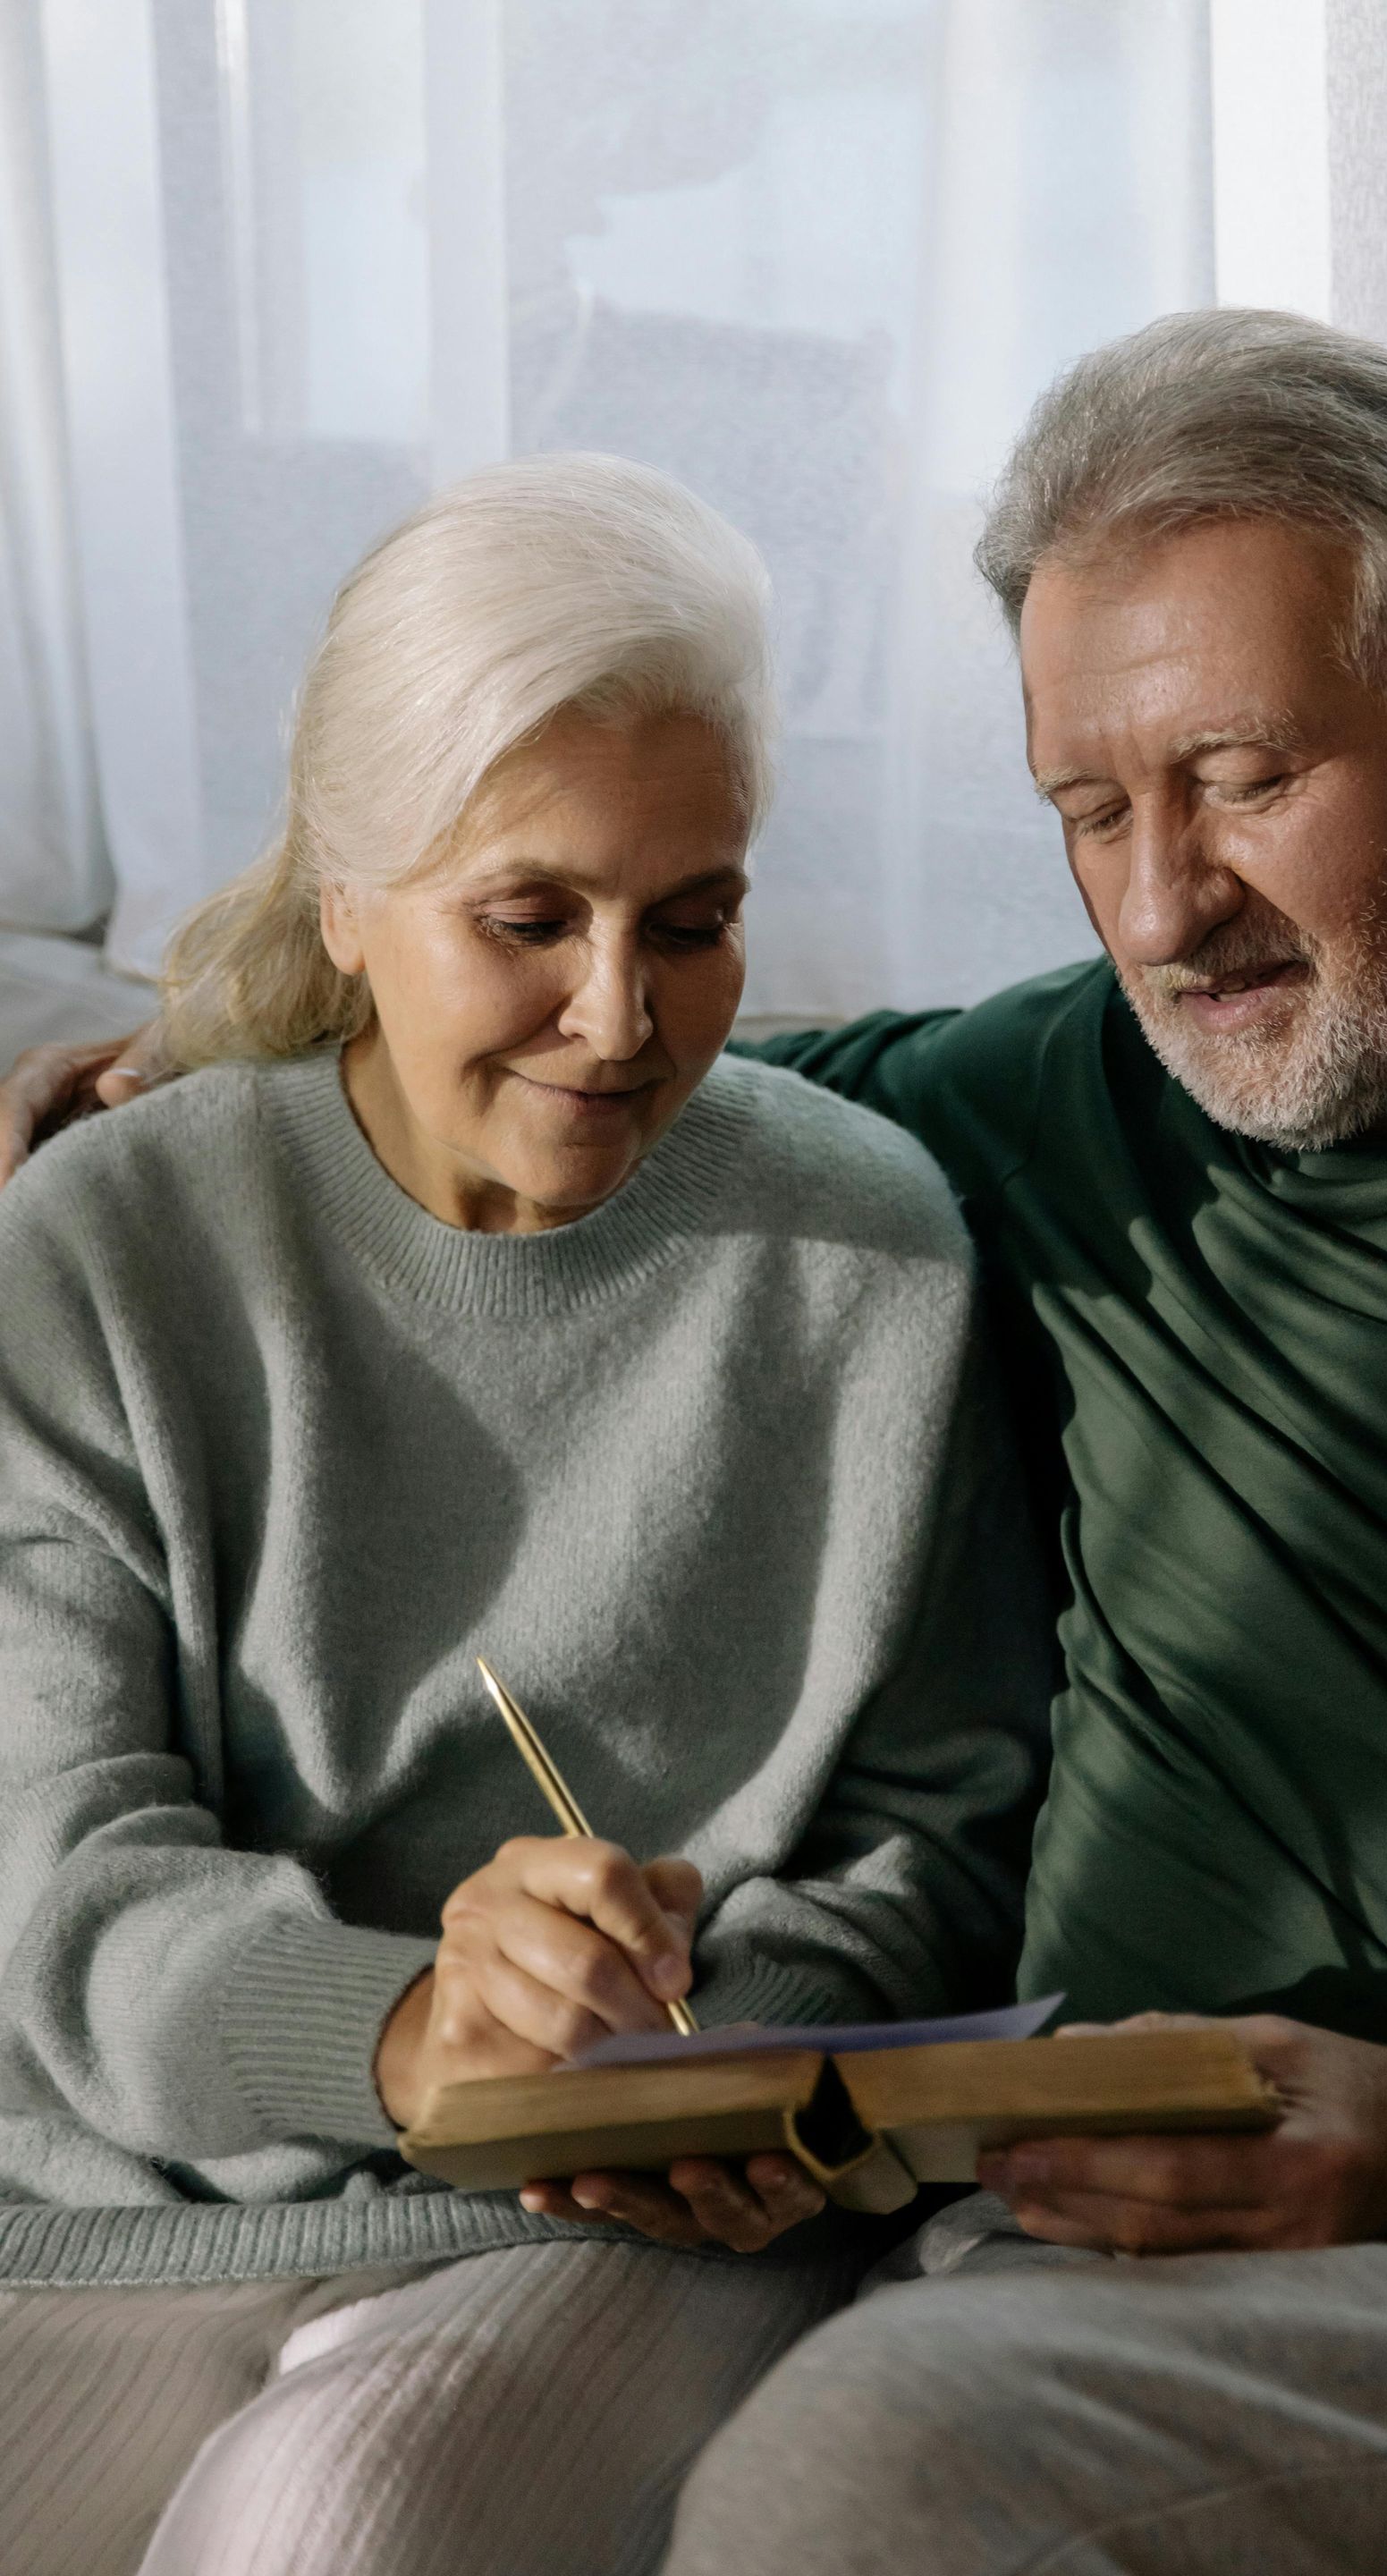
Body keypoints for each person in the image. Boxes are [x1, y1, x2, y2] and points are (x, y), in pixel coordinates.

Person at [13, 313, 1387, 2571]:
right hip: (1060, 2217)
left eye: (1242, 775)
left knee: (856, 2479)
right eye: (1088, 812)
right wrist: (132, 1081)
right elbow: (557, 1096)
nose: (1161, 907)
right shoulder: (1034, 1106)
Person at [0, 453, 1046, 2576]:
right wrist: (412, 2034)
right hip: (114, 2188)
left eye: (697, 920)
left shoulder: (877, 1255)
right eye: (528, 918)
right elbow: (57, 1888)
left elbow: (937, 1840)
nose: (620, 1019)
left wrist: (716, 2066)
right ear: (347, 907)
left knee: (329, 2530)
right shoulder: (105, 1247)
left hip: (646, 2223)